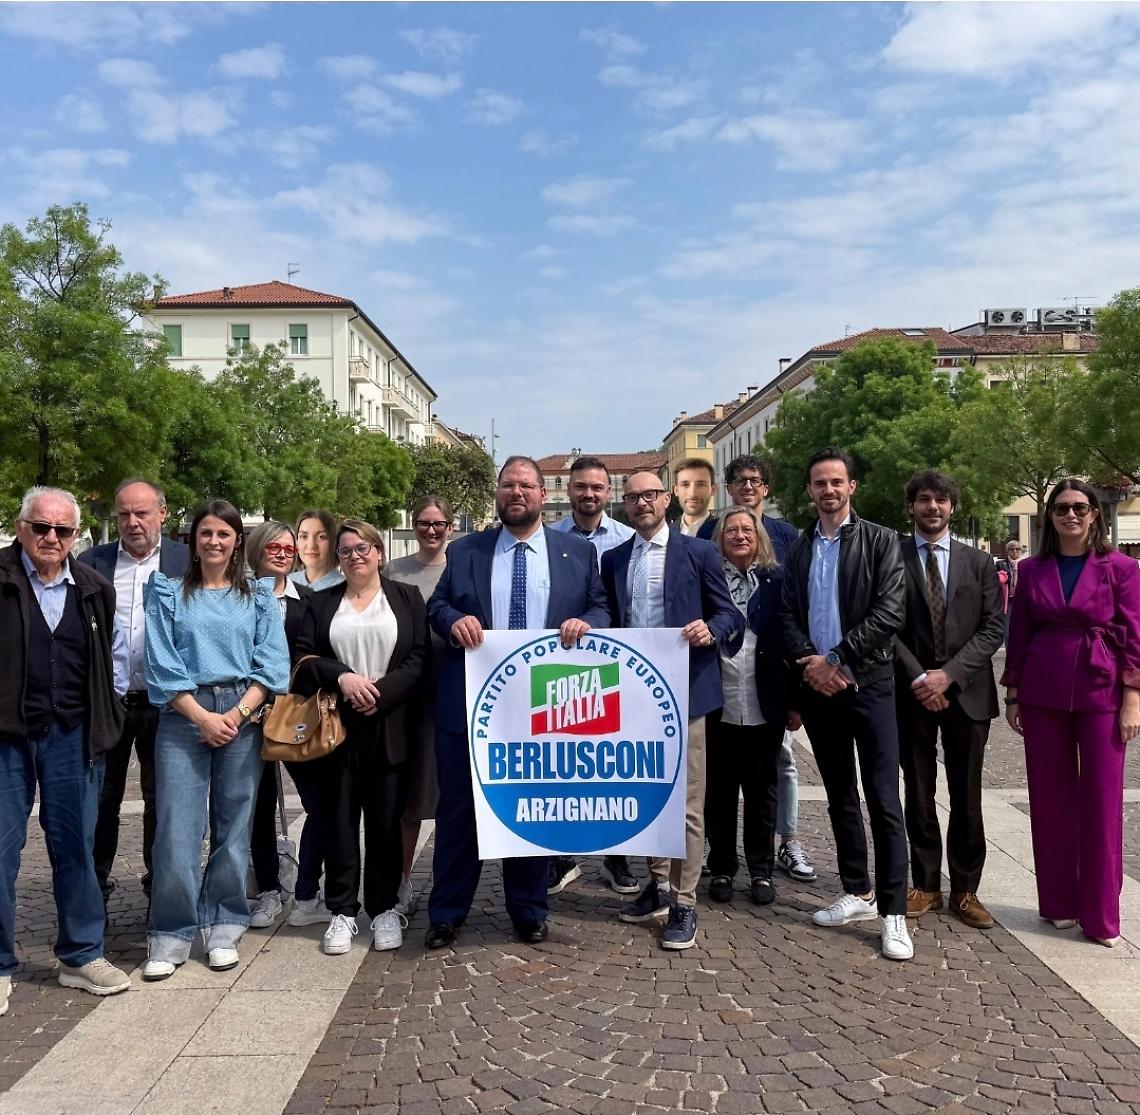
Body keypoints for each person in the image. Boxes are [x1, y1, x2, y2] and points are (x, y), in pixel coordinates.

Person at [425, 456, 609, 948]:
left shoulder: (577, 552)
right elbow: (437, 606)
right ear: (498, 493)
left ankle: (528, 909)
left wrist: (588, 623)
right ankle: (446, 913)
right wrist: (453, 621)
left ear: (542, 495)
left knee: (531, 807)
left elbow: (600, 606)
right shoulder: (466, 551)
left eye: (526, 485)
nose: (517, 493)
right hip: (472, 704)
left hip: (544, 705)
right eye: (508, 485)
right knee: (460, 810)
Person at [141, 501, 290, 980]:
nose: (214, 541)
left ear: (237, 541)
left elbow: (272, 663)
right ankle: (171, 932)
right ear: (193, 540)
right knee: (176, 829)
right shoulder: (167, 593)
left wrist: (237, 714)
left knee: (234, 827)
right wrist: (203, 717)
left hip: (242, 713)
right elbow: (161, 664)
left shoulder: (258, 596)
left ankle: (224, 924)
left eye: (224, 534)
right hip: (183, 715)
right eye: (206, 533)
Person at [601, 470, 745, 950]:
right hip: (633, 697)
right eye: (633, 497)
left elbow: (729, 614)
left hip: (686, 695)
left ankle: (685, 901)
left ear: (666, 499)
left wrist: (711, 629)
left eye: (650, 495)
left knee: (686, 802)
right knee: (643, 794)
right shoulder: (614, 559)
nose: (642, 503)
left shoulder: (699, 552)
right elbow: (608, 617)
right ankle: (659, 883)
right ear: (625, 505)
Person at [1, 487, 132, 1010]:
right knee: (0, 850)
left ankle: (81, 955)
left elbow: (113, 660)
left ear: (76, 535)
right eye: (41, 527)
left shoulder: (95, 589)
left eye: (62, 530)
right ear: (21, 527)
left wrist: (107, 714)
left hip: (73, 737)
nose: (51, 537)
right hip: (7, 737)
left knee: (77, 846)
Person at [780, 447, 912, 961]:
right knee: (839, 794)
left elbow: (891, 611)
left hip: (869, 682)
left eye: (837, 482)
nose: (829, 490)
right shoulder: (800, 547)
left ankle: (894, 911)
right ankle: (857, 891)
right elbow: (787, 614)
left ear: (851, 487)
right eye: (820, 483)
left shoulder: (881, 540)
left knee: (883, 798)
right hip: (819, 688)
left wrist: (837, 658)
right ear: (810, 490)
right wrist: (812, 664)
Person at [1002, 479, 1140, 948]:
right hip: (1043, 690)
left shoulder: (1121, 568)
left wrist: (1133, 698)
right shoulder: (1033, 569)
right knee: (1049, 800)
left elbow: (1135, 635)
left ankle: (1101, 916)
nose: (1071, 515)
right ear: (1050, 516)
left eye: (1080, 507)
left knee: (1102, 802)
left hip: (1103, 690)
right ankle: (1059, 902)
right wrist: (1014, 694)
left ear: (1095, 513)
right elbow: (1019, 634)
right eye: (1061, 508)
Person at [291, 519, 428, 955]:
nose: (355, 556)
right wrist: (343, 677)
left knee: (387, 822)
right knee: (339, 820)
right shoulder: (321, 601)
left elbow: (419, 657)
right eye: (346, 550)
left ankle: (384, 907)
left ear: (379, 551)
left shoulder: (406, 597)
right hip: (337, 724)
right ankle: (342, 911)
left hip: (389, 723)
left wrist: (381, 693)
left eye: (362, 548)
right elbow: (304, 656)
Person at [895, 472, 1004, 930]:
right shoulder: (893, 558)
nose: (933, 507)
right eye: (924, 499)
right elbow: (885, 623)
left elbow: (993, 627)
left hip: (968, 692)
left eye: (941, 500)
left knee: (967, 794)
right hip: (912, 691)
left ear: (952, 508)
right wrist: (921, 677)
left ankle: (965, 889)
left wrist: (950, 675)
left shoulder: (978, 563)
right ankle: (925, 885)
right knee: (919, 792)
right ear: (912, 507)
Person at [79, 479, 190, 906]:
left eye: (141, 513)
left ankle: (159, 886)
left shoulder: (187, 562)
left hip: (168, 703)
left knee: (162, 799)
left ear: (162, 513)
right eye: (124, 513)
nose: (132, 522)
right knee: (101, 797)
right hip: (109, 702)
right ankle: (94, 888)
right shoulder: (92, 562)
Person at [724, 453, 815, 884]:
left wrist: (795, 693)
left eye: (755, 480)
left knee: (781, 764)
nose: (748, 486)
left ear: (766, 488)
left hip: (770, 680)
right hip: (727, 683)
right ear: (729, 488)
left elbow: (795, 611)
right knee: (723, 778)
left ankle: (788, 839)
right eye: (740, 480)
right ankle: (720, 852)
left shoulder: (786, 536)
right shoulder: (711, 533)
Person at [548, 457, 638, 895]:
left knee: (610, 766)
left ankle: (616, 856)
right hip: (560, 663)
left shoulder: (626, 539)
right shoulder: (549, 538)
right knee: (563, 762)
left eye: (597, 488)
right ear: (569, 490)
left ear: (609, 492)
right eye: (581, 486)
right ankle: (561, 855)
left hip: (617, 664)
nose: (589, 494)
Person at [705, 508, 799, 907]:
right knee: (719, 790)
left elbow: (794, 638)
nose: (740, 535)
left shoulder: (778, 579)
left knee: (763, 789)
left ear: (759, 536)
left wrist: (794, 701)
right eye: (731, 530)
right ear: (720, 538)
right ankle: (722, 866)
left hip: (766, 697)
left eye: (747, 529)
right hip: (719, 699)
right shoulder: (708, 579)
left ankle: (761, 869)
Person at [244, 521, 323, 931]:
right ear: (256, 550)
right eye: (272, 547)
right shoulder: (236, 597)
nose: (281, 554)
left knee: (319, 802)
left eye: (289, 548)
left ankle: (308, 886)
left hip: (296, 716)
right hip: (246, 714)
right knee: (258, 807)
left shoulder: (309, 600)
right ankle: (269, 889)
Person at [385, 495, 455, 913]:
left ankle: (449, 882)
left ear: (450, 527)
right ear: (414, 526)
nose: (431, 530)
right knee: (409, 799)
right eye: (424, 523)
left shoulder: (461, 567)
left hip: (451, 691)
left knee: (450, 796)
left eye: (438, 523)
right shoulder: (394, 570)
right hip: (407, 697)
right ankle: (402, 880)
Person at [290, 509, 344, 592]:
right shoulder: (286, 584)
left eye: (321, 537)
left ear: (334, 542)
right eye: (304, 536)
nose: (311, 545)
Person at [673, 457, 718, 540]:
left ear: (713, 489)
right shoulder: (664, 535)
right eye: (685, 485)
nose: (692, 493)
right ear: (676, 490)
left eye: (701, 484)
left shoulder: (723, 534)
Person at [996, 539, 1023, 645]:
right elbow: (993, 580)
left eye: (1017, 549)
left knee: (1022, 627)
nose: (1015, 551)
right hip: (1007, 600)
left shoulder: (1026, 564)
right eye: (1012, 549)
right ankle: (1009, 650)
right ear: (1008, 551)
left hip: (1022, 599)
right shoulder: (1000, 564)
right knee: (1007, 629)